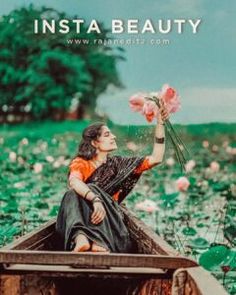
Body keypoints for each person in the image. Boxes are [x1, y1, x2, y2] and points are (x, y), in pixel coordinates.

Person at [56, 101, 169, 253]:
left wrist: (160, 124)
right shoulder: (81, 163)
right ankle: (81, 238)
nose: (114, 137)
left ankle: (99, 242)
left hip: (111, 224)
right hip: (87, 218)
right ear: (95, 143)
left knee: (88, 188)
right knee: (72, 193)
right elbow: (74, 181)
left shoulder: (119, 164)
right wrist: (95, 200)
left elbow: (156, 158)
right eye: (107, 134)